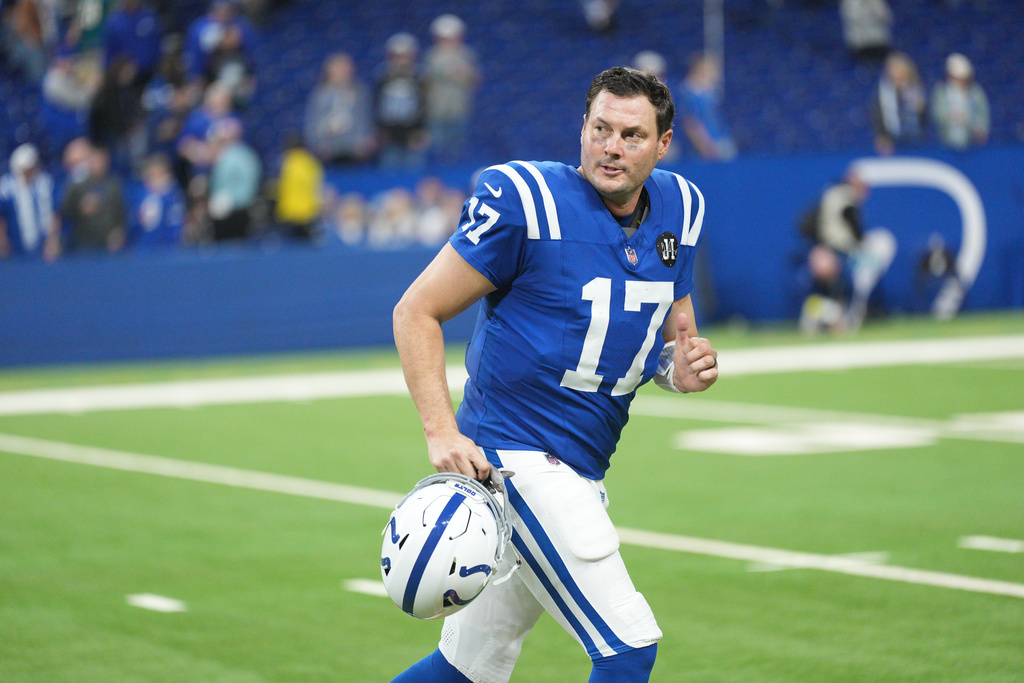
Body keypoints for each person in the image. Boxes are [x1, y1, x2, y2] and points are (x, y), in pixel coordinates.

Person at [390, 66, 718, 683]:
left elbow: (670, 339)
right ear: (583, 128)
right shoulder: (527, 201)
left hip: (581, 465)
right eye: (600, 129)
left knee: (464, 670)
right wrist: (441, 431)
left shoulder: (681, 207)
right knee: (628, 647)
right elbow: (416, 311)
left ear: (663, 144)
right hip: (516, 459)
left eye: (631, 135)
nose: (611, 147)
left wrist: (682, 370)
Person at [796, 170, 896, 333]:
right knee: (850, 285)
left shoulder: (830, 194)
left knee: (843, 288)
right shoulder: (846, 197)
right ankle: (835, 317)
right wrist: (820, 248)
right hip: (835, 252)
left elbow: (806, 223)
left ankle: (828, 317)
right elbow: (852, 226)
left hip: (830, 252)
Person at [423, 14, 480, 165]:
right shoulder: (432, 55)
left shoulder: (466, 54)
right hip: (436, 109)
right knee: (436, 147)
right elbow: (428, 80)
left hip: (459, 108)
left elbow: (473, 79)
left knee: (456, 148)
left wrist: (462, 74)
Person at [303, 52, 376, 165]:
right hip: (328, 150)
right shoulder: (320, 94)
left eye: (346, 69)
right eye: (340, 69)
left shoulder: (360, 93)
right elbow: (313, 121)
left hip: (355, 150)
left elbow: (366, 118)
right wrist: (317, 143)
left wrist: (365, 140)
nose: (344, 73)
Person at [374, 32, 428, 171]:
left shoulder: (419, 77)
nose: (401, 60)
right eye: (397, 56)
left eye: (405, 56)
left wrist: (420, 129)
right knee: (389, 170)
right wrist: (380, 130)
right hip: (389, 133)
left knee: (414, 170)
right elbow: (377, 105)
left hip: (412, 132)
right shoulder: (383, 77)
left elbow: (424, 104)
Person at [60, 143, 128, 253]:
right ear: (89, 161)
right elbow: (66, 210)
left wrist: (119, 232)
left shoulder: (114, 184)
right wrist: (80, 208)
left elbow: (122, 212)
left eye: (102, 160)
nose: (99, 164)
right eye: (95, 160)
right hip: (85, 242)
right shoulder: (78, 184)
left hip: (109, 242)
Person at [0, 143, 61, 261]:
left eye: (31, 169)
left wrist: (53, 240)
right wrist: (3, 243)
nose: (29, 173)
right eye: (26, 170)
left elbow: (55, 215)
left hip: (43, 249)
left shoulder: (45, 183)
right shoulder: (6, 188)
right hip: (15, 250)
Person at [206, 117, 261, 241]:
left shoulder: (238, 155)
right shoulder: (229, 154)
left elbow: (248, 182)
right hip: (230, 206)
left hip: (235, 209)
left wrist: (231, 200)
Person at [678, 52, 736, 161]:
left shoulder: (710, 91)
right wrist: (705, 146)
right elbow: (691, 123)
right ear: (701, 69)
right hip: (706, 145)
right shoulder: (689, 93)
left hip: (719, 140)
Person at [930, 52, 989, 152]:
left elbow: (982, 114)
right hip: (946, 143)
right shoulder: (941, 92)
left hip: (971, 144)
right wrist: (952, 117)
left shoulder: (975, 92)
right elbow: (937, 114)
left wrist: (974, 126)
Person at [870, 51, 926, 156]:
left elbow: (923, 115)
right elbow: (878, 115)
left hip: (915, 138)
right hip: (892, 139)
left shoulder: (916, 89)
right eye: (893, 69)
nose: (896, 72)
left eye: (898, 69)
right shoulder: (883, 92)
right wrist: (882, 136)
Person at [131, 152, 186, 248]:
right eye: (152, 175)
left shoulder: (174, 197)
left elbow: (175, 228)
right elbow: (132, 226)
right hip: (142, 250)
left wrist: (162, 197)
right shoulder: (139, 195)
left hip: (165, 250)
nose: (156, 179)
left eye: (160, 174)